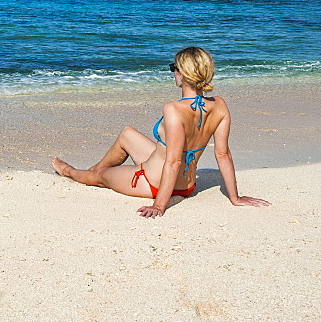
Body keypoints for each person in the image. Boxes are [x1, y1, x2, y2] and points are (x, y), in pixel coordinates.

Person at [51, 46, 270, 218]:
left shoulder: (174, 109)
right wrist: (235, 197)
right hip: (188, 184)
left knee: (98, 177)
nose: (172, 73)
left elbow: (173, 161)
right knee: (127, 133)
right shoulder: (220, 105)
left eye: (173, 68)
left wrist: (159, 205)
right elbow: (223, 155)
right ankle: (96, 167)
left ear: (182, 74)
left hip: (154, 183)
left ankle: (70, 171)